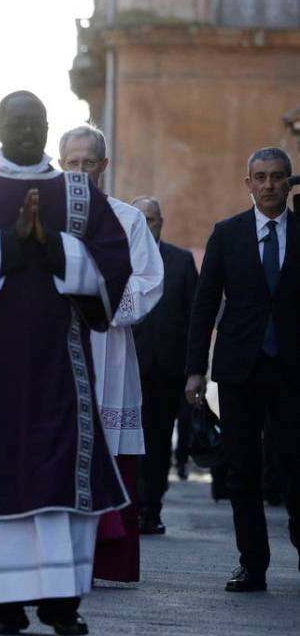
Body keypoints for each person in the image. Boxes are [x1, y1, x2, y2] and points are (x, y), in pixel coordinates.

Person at [0, 91, 131, 636]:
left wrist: (56, 246)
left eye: (36, 121)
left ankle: (62, 603)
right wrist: (9, 245)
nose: (26, 131)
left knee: (59, 478)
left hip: (62, 372)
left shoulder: (80, 193)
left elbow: (114, 259)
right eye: (16, 122)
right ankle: (4, 605)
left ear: (48, 126)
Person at [185, 146, 300, 593]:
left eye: (277, 177)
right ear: (247, 182)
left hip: (293, 369)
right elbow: (204, 303)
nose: (269, 184)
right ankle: (253, 564)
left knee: (297, 462)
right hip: (239, 369)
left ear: (289, 183)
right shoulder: (227, 233)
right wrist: (195, 370)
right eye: (261, 177)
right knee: (242, 469)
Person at [58, 124, 163, 583]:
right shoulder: (40, 217)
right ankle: (55, 559)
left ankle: (106, 560)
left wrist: (94, 300)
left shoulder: (128, 220)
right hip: (53, 352)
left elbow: (147, 281)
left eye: (89, 163)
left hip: (109, 350)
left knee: (110, 454)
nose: (81, 171)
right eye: (72, 162)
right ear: (61, 164)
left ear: (104, 165)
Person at [131, 196, 197, 535]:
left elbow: (195, 317)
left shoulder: (181, 262)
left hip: (166, 371)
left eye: (152, 219)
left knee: (156, 443)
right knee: (126, 442)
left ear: (161, 222)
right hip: (127, 367)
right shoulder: (117, 258)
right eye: (139, 218)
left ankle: (151, 510)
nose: (146, 224)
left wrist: (194, 370)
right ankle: (126, 509)